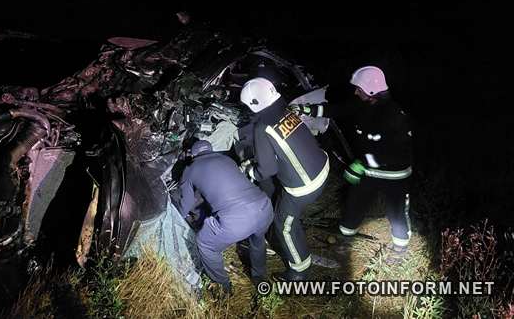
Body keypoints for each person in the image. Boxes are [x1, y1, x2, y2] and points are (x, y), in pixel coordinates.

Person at [290, 66, 413, 261]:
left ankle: (400, 249)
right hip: (368, 171)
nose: (356, 92)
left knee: (396, 211)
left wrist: (362, 164)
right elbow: (337, 110)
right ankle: (345, 241)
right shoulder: (363, 103)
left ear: (371, 90)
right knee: (354, 203)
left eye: (359, 89)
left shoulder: (394, 115)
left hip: (394, 175)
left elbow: (393, 151)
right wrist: (308, 110)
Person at [240, 77, 330, 281]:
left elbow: (267, 170)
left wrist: (249, 170)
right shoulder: (287, 111)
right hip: (322, 166)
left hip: (306, 185)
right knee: (286, 208)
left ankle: (300, 272)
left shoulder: (262, 127)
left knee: (284, 225)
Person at [175, 140, 274, 294]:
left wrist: (177, 218)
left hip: (236, 220)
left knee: (205, 244)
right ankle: (259, 276)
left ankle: (223, 286)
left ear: (192, 154)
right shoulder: (227, 159)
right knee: (257, 239)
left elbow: (186, 203)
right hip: (264, 207)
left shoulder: (190, 168)